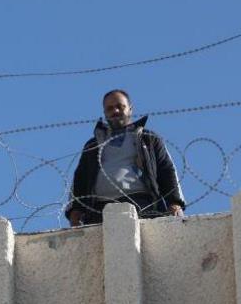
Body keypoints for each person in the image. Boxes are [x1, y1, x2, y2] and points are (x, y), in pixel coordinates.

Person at [66, 89, 185, 226]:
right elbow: (80, 178)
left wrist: (175, 203)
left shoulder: (147, 139)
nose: (115, 111)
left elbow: (166, 170)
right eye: (109, 109)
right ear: (105, 114)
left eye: (119, 106)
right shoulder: (93, 145)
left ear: (130, 109)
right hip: (99, 210)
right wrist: (75, 211)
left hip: (141, 206)